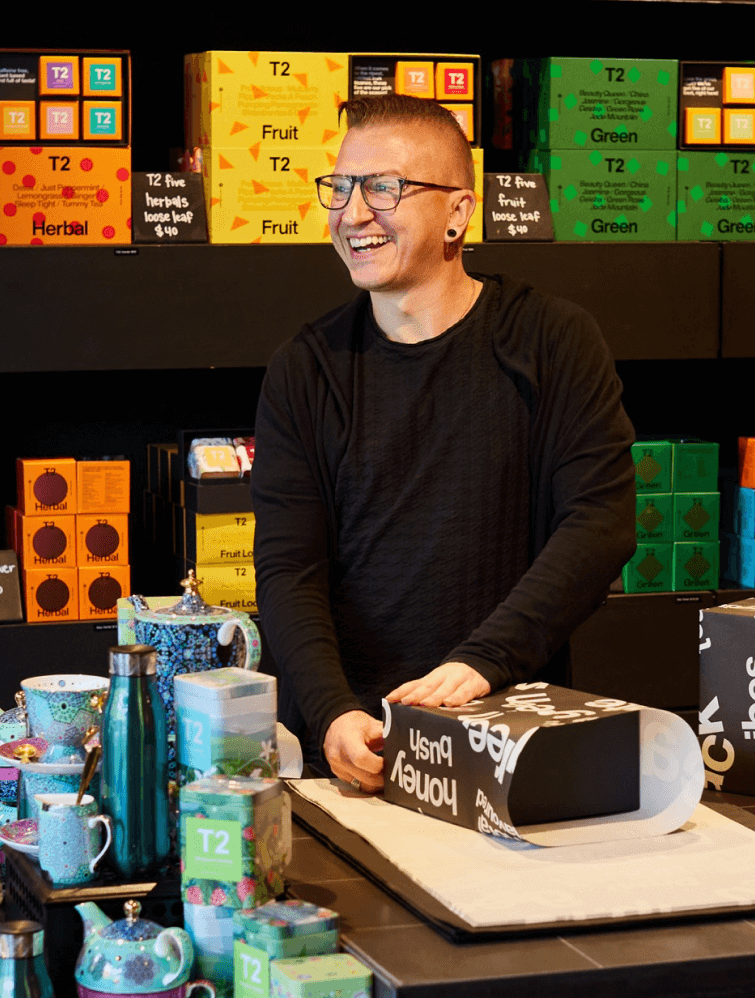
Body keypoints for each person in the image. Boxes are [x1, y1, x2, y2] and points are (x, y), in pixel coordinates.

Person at [251, 93, 635, 792]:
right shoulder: (304, 369)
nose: (354, 213)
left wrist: (481, 664)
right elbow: (288, 570)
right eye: (340, 188)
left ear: (459, 211)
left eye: (384, 188)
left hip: (508, 739)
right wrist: (333, 712)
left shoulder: (551, 340)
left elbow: (599, 525)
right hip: (351, 758)